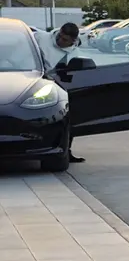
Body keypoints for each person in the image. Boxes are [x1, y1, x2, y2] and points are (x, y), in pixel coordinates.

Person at [33, 22, 86, 163]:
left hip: (58, 87)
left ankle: (65, 151)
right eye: (60, 36)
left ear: (73, 41)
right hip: (35, 82)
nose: (60, 40)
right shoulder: (41, 38)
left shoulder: (75, 54)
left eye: (65, 40)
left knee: (66, 120)